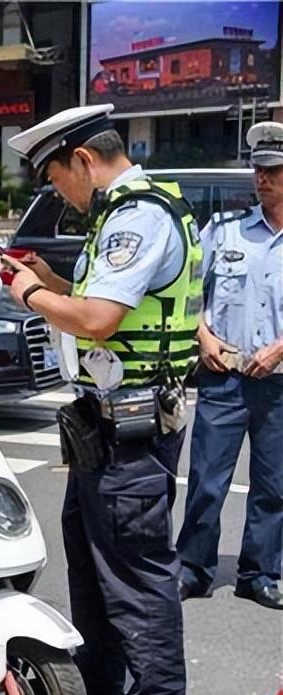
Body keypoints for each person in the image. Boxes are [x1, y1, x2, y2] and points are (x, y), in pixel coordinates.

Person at [3, 104, 200, 695]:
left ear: (83, 160)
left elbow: (96, 320)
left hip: (130, 430)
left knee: (135, 570)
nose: (59, 192)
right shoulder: (120, 216)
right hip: (102, 430)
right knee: (92, 563)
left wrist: (31, 296)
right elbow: (95, 301)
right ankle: (102, 687)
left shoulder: (137, 216)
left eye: (57, 177)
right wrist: (48, 277)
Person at [176, 121, 283, 610]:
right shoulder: (223, 231)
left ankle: (259, 572)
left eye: (275, 171)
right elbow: (189, 293)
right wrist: (202, 337)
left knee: (273, 485)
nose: (264, 179)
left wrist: (280, 349)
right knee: (206, 480)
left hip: (278, 382)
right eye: (260, 171)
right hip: (223, 377)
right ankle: (194, 567)